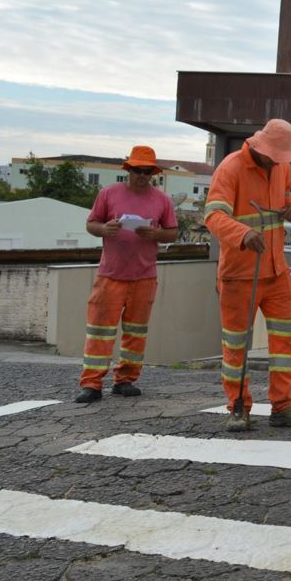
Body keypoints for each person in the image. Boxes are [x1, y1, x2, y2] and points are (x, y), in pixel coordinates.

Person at [204, 119, 291, 432]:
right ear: (259, 145)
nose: (276, 161)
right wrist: (242, 234)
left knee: (284, 344)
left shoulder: (280, 166)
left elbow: (287, 197)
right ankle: (238, 407)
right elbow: (213, 215)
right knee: (236, 345)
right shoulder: (231, 168)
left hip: (276, 271)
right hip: (240, 274)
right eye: (273, 156)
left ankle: (284, 406)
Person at [76, 145, 179, 403]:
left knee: (136, 331)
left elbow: (173, 232)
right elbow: (91, 224)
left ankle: (125, 380)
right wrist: (104, 229)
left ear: (152, 173)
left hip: (144, 276)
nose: (141, 175)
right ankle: (92, 384)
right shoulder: (108, 194)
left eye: (146, 171)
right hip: (110, 275)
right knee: (100, 331)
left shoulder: (162, 200)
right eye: (136, 170)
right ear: (128, 169)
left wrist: (156, 234)